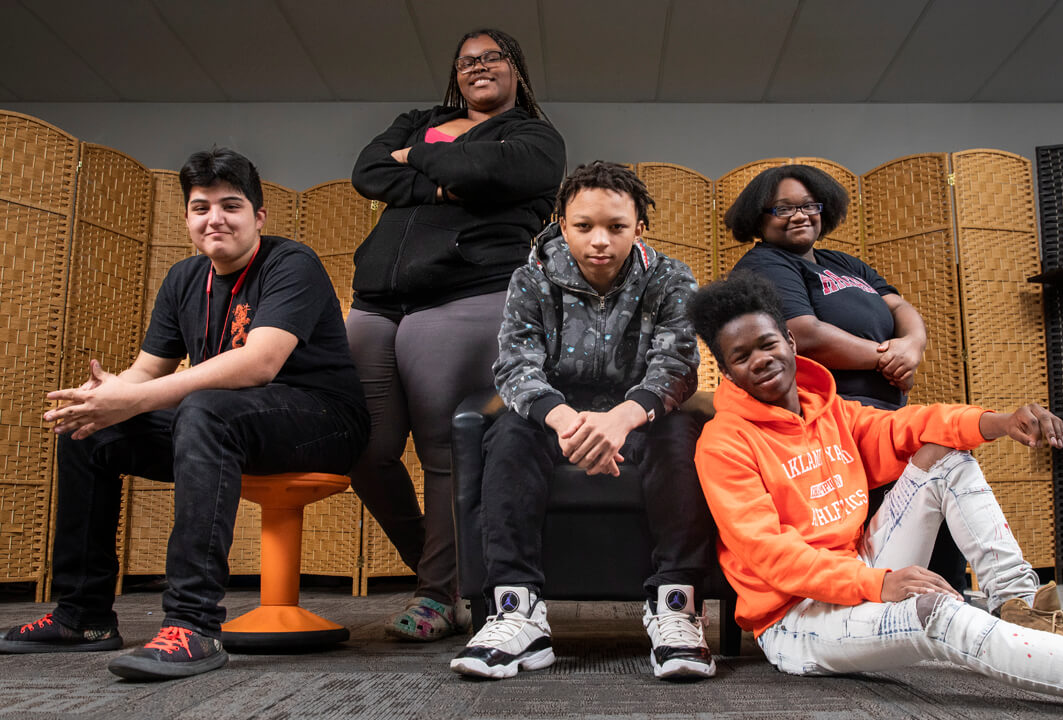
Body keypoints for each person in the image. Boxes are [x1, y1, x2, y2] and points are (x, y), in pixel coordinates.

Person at [686, 273, 1063, 719]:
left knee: (945, 454)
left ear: (792, 344)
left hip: (859, 566)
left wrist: (998, 421)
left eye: (768, 343)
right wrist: (880, 584)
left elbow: (911, 426)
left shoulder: (832, 410)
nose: (761, 359)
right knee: (940, 613)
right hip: (796, 619)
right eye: (741, 356)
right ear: (727, 372)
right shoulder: (724, 444)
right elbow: (769, 556)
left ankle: (1021, 604)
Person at [0, 148, 369, 680]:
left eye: (230, 205)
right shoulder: (183, 279)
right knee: (89, 431)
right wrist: (104, 398)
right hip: (225, 422)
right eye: (201, 207)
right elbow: (148, 372)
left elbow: (260, 364)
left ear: (258, 217)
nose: (214, 218)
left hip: (322, 422)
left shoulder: (293, 263)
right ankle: (84, 615)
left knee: (205, 409)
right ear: (188, 218)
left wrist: (136, 398)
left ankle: (192, 626)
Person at [450, 162, 714, 681]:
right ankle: (517, 609)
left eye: (616, 227)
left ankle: (676, 607)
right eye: (584, 226)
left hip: (640, 415)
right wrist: (569, 422)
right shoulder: (531, 278)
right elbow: (515, 363)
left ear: (639, 226)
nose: (600, 241)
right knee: (508, 434)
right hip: (554, 414)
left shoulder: (671, 277)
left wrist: (620, 418)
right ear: (562, 224)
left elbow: (678, 365)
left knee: (681, 437)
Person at [347, 28, 566, 641]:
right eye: (467, 60)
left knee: (443, 452)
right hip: (376, 301)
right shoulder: (420, 118)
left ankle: (436, 594)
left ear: (517, 70)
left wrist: (415, 159)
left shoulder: (533, 136)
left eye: (493, 57)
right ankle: (441, 567)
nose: (479, 66)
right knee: (362, 448)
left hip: (467, 294)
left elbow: (493, 167)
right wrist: (451, 175)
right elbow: (367, 171)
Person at [725, 164, 967, 592]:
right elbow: (803, 333)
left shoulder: (843, 262)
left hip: (882, 410)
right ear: (758, 218)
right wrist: (884, 359)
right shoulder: (765, 263)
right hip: (831, 418)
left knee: (941, 464)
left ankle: (950, 594)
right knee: (937, 456)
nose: (800, 216)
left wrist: (911, 344)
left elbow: (900, 307)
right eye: (783, 208)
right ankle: (930, 596)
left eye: (808, 206)